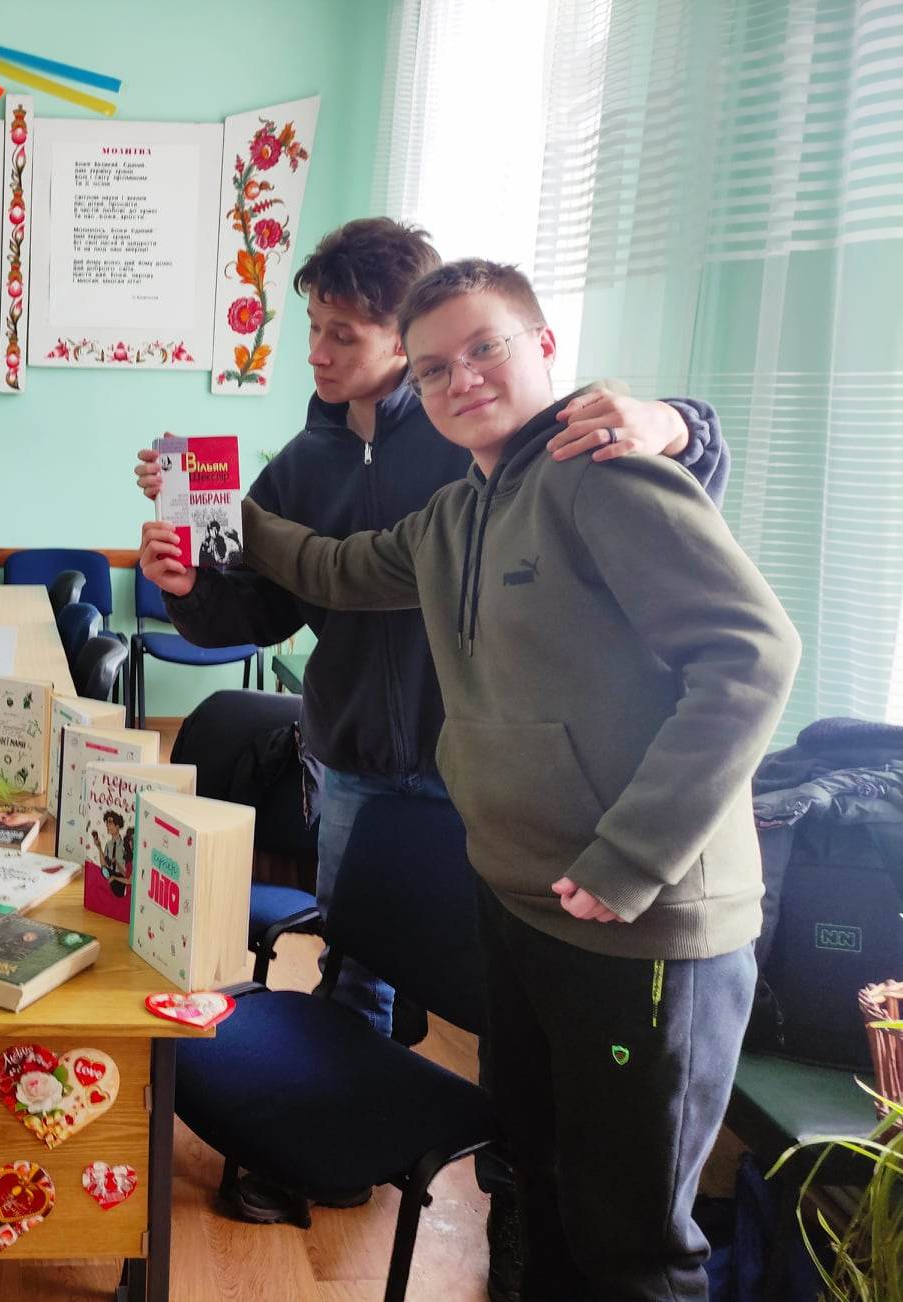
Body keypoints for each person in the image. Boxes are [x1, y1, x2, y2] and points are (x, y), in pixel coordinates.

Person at [140, 257, 800, 1301]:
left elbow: (754, 656)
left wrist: (632, 858)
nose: (462, 379)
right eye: (438, 367)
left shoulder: (606, 474)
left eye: (485, 349)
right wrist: (208, 505)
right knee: (537, 1184)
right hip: (520, 898)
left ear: (545, 346)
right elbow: (329, 569)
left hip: (642, 923)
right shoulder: (457, 513)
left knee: (633, 1242)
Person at [137, 219, 729, 1043]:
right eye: (313, 329)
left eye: (344, 335)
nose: (317, 354)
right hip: (354, 762)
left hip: (482, 770)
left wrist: (676, 421)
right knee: (354, 969)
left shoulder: (472, 434)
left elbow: (619, 453)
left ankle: (478, 1112)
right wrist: (193, 582)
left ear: (402, 336)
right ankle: (354, 1113)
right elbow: (279, 599)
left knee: (495, 982)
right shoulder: (302, 467)